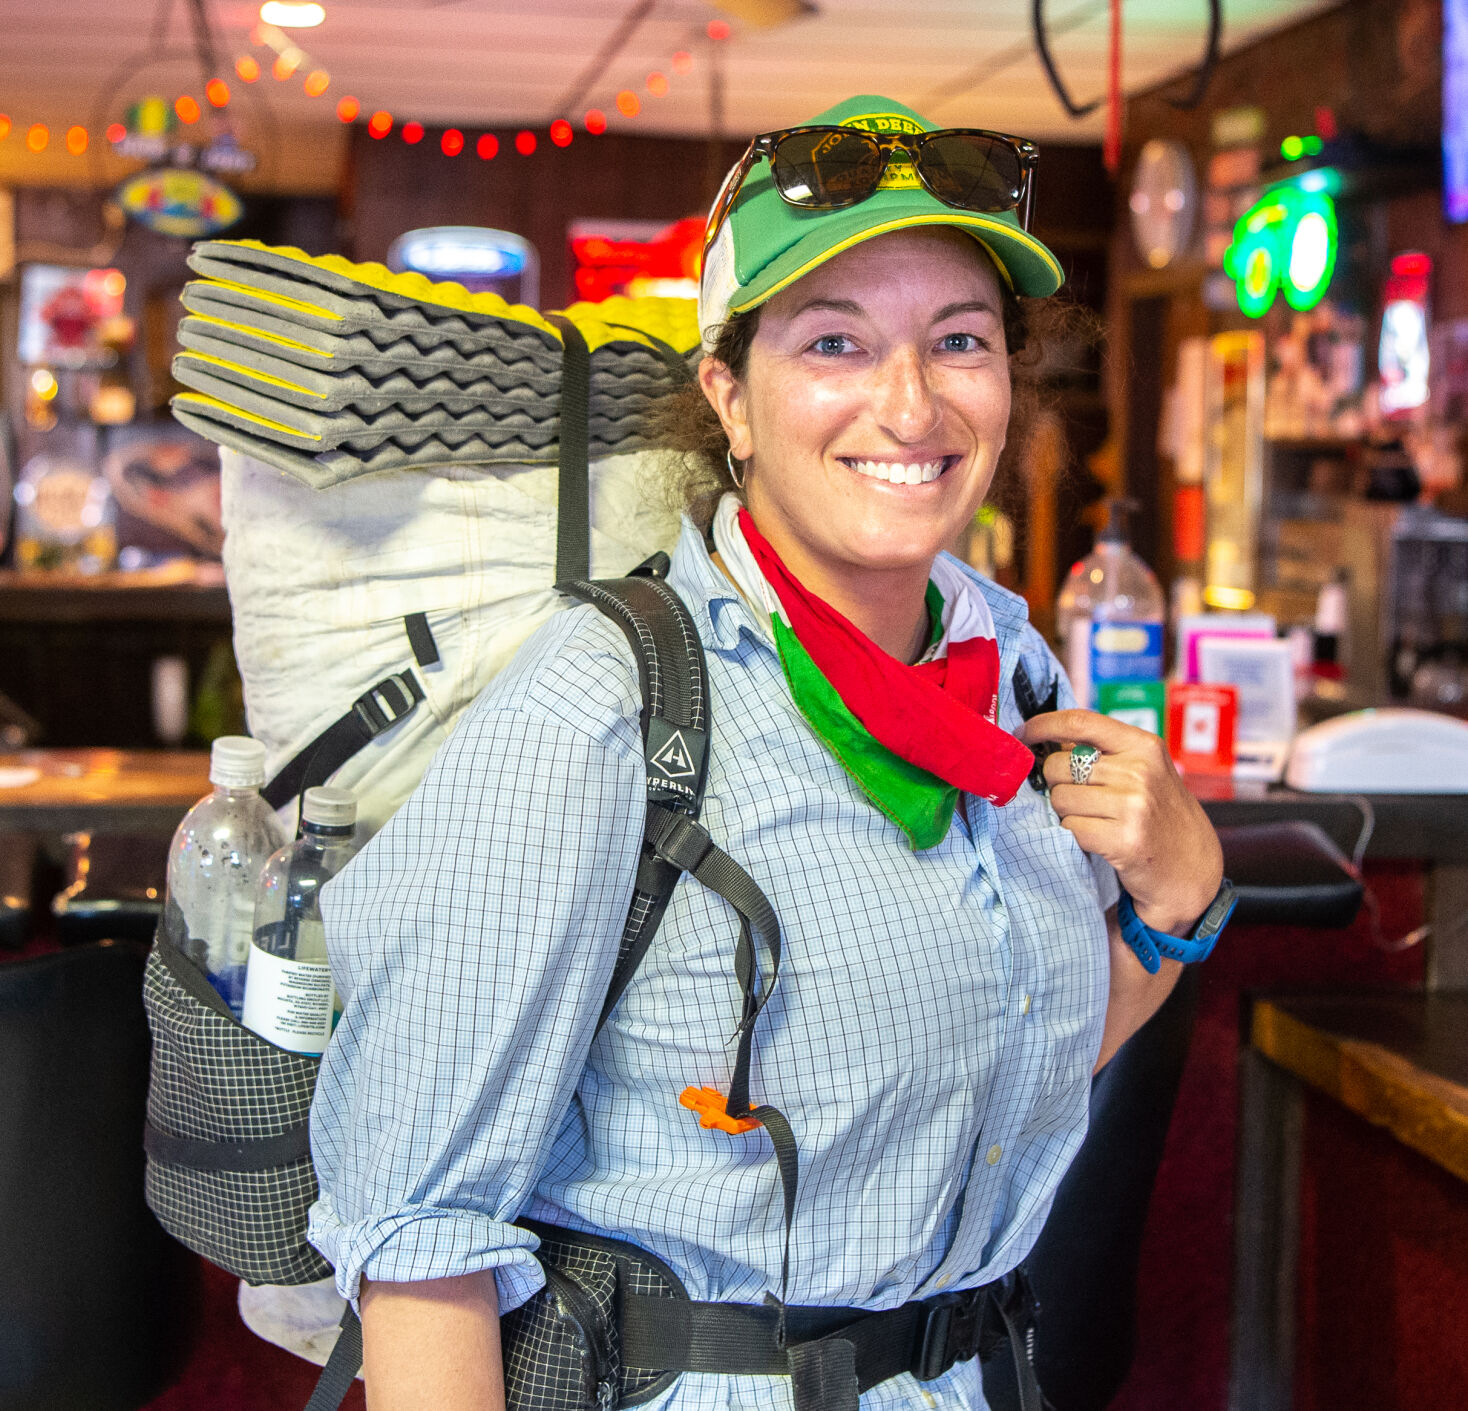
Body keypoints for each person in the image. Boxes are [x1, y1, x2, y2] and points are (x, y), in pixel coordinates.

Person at [308, 94, 1227, 1411]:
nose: (910, 405)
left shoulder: (1011, 671)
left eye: (959, 341)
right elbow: (420, 1245)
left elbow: (992, 1058)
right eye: (835, 342)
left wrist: (1177, 902)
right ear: (731, 398)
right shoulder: (604, 711)